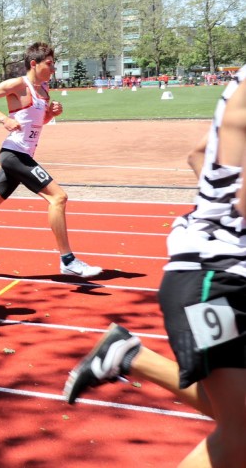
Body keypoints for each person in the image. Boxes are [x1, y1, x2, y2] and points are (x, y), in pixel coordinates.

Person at [64, 65, 246, 466]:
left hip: (213, 271)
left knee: (238, 417)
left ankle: (131, 356)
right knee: (242, 432)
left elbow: (199, 154)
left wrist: (217, 217)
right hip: (215, 284)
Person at [0, 42, 101, 278]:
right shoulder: (18, 85)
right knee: (58, 197)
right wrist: (3, 118)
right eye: (50, 64)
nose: (53, 69)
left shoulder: (43, 91)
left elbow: (36, 124)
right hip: (14, 154)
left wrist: (50, 114)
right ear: (34, 64)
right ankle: (68, 260)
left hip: (22, 155)